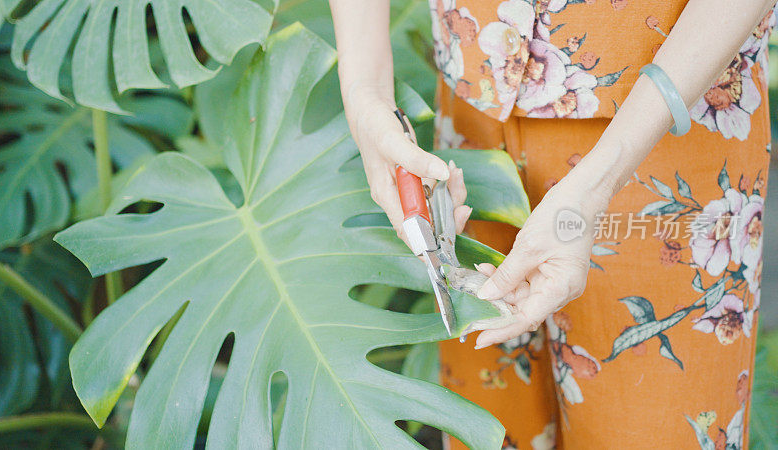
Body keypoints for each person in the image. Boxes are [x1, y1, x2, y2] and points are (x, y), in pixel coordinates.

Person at [329, 0, 776, 447]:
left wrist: (596, 186)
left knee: (652, 429)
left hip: (664, 130)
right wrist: (365, 91)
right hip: (474, 123)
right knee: (495, 426)